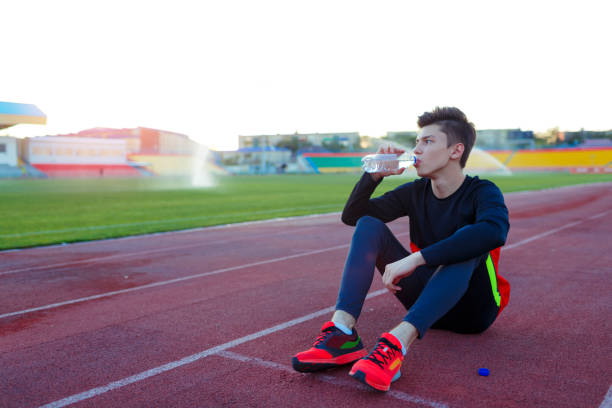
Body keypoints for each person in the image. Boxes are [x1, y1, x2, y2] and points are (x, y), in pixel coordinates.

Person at [291, 107, 510, 392]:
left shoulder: (482, 191)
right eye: (417, 141)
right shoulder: (415, 191)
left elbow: (494, 231)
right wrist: (373, 176)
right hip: (425, 301)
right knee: (369, 224)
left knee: (469, 241)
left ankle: (396, 345)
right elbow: (353, 217)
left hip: (474, 310)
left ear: (455, 151)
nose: (416, 149)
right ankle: (342, 332)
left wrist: (417, 259)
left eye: (427, 142)